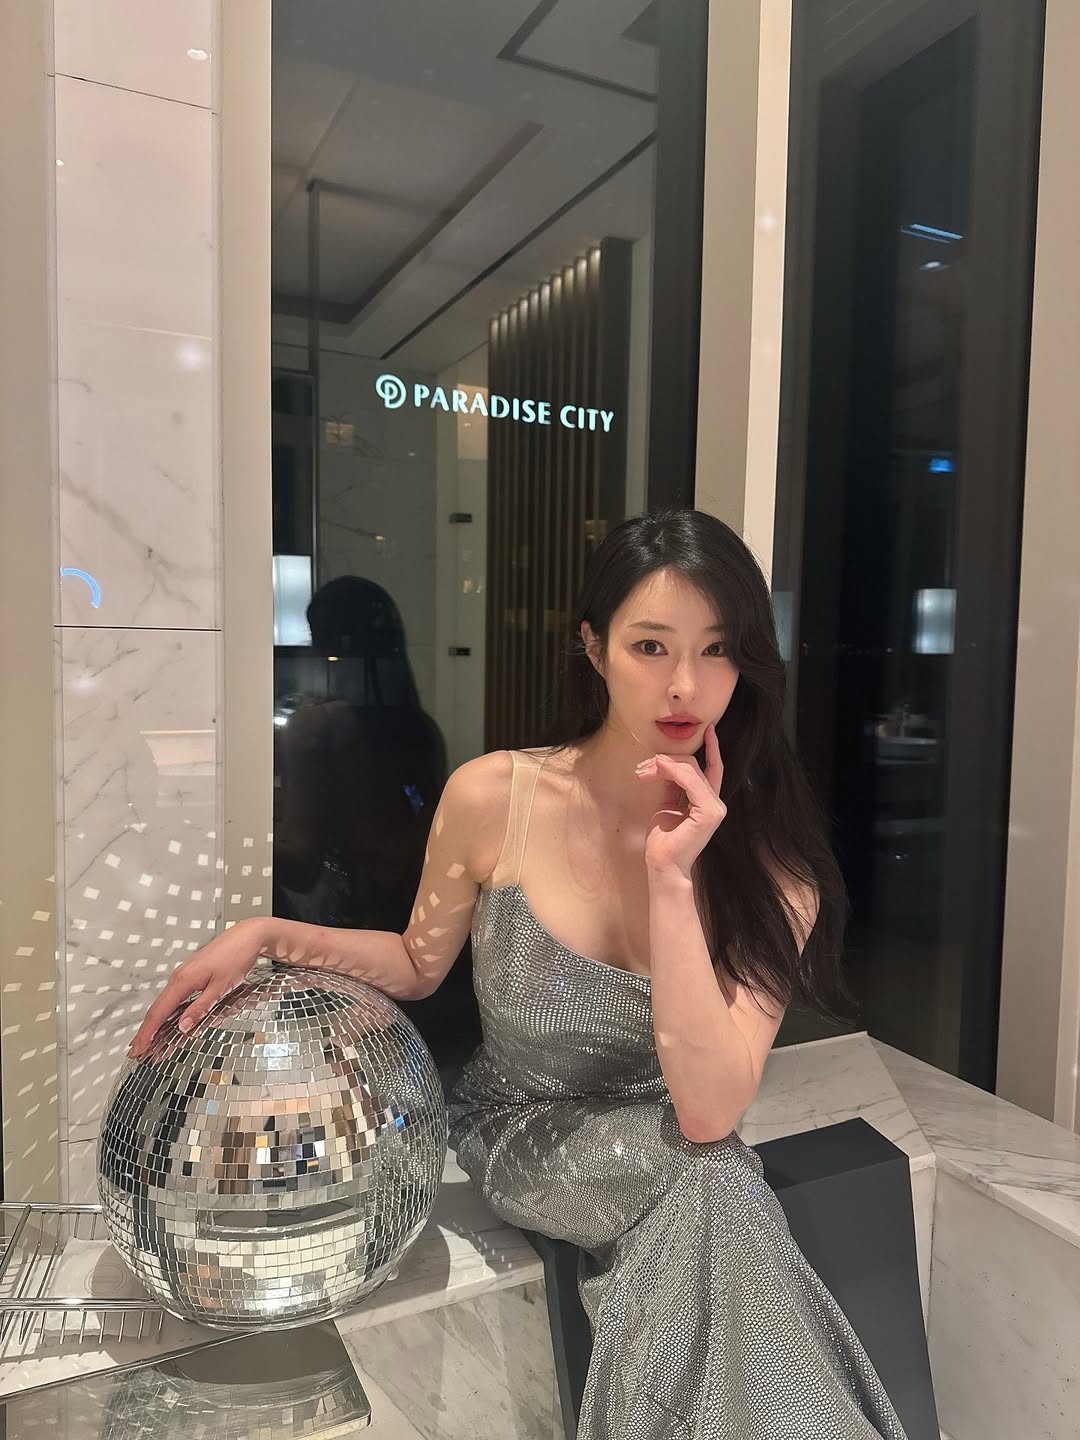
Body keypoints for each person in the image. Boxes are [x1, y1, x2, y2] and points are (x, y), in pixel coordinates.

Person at [128, 509, 909, 1440]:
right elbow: (418, 965)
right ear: (593, 645)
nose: (685, 684)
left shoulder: (773, 870)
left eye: (717, 649)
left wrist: (672, 880)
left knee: (712, 1186)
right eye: (650, 646)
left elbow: (707, 1114)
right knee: (715, 1188)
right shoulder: (498, 795)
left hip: (678, 1144)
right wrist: (266, 933)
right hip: (522, 1128)